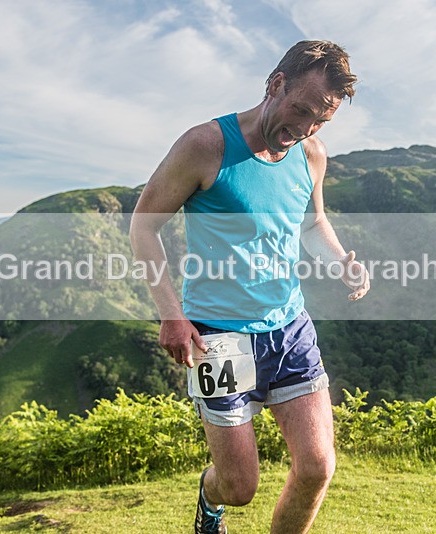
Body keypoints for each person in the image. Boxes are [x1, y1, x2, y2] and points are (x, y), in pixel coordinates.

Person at [130, 40, 370, 533]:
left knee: (317, 469)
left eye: (320, 120)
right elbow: (143, 226)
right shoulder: (205, 146)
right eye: (301, 110)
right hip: (218, 338)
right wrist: (171, 314)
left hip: (290, 329)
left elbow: (311, 223)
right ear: (274, 84)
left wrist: (340, 259)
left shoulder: (312, 154)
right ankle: (208, 498)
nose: (304, 129)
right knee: (239, 487)